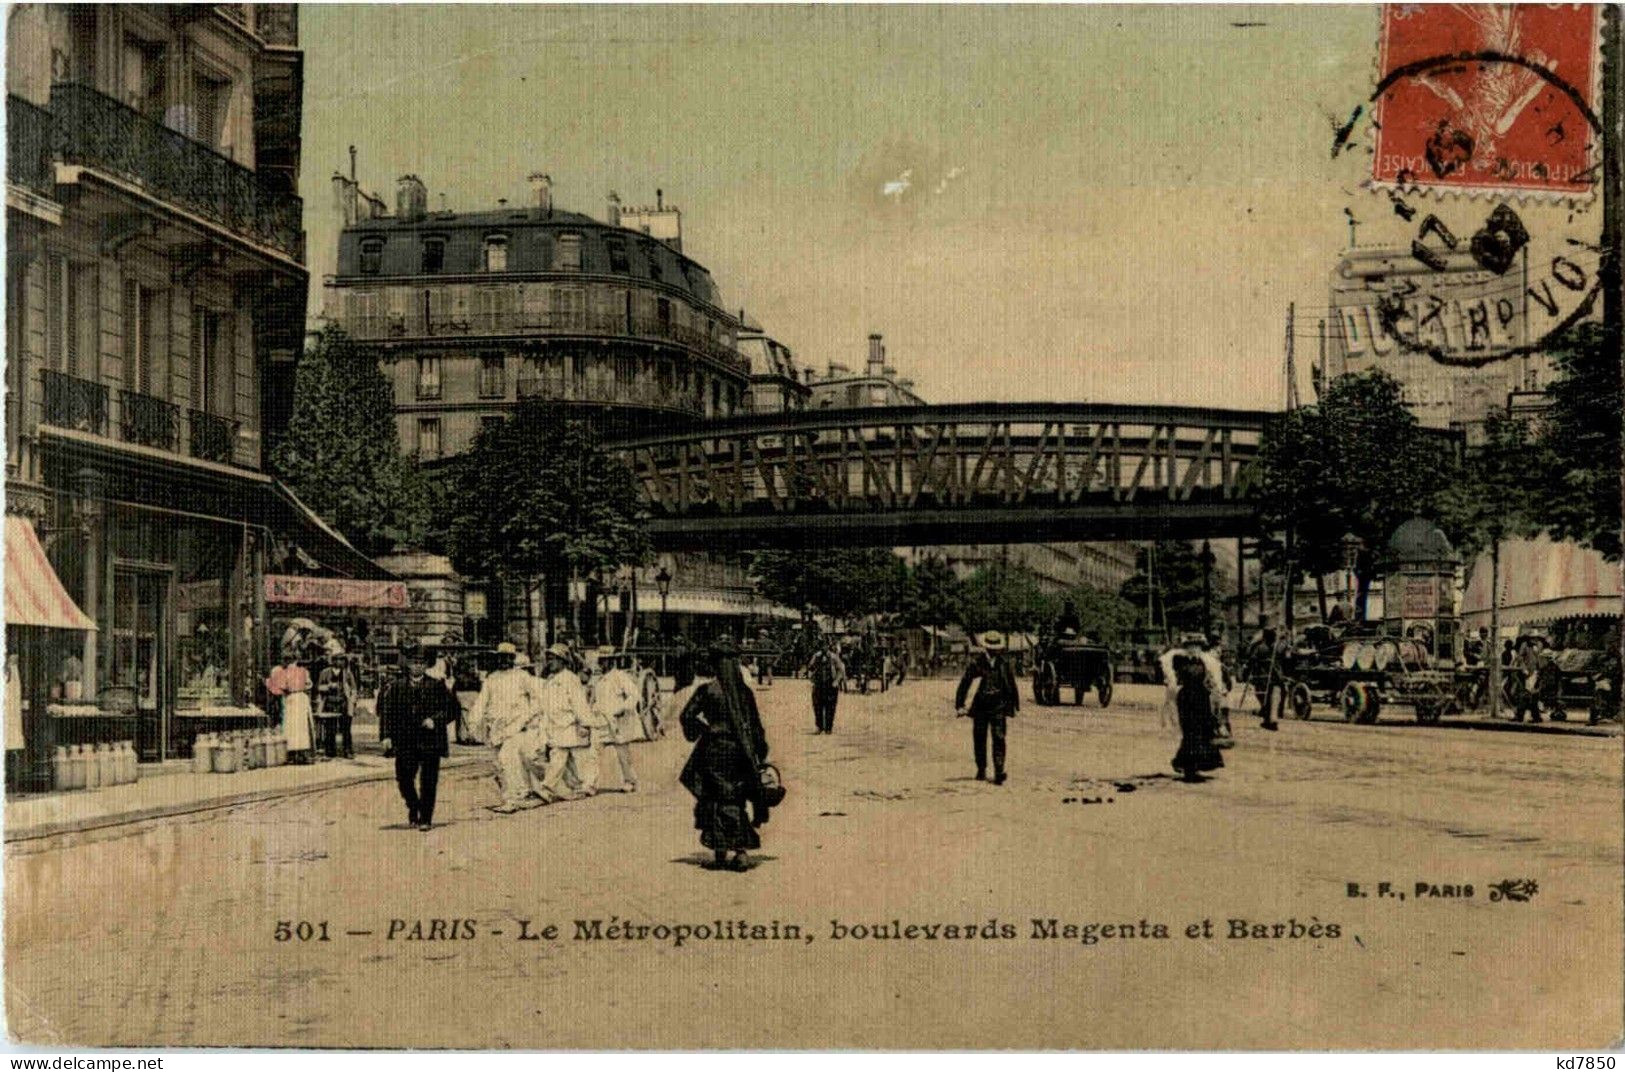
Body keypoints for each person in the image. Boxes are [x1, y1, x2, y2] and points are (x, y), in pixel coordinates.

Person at [679, 638, 773, 871]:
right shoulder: (744, 693)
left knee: (715, 797)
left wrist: (706, 730)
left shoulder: (707, 690)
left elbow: (687, 716)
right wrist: (759, 752)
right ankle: (740, 851)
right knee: (735, 798)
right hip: (740, 751)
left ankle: (720, 851)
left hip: (713, 751)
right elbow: (756, 726)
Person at [376, 642, 462, 831]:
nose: (418, 666)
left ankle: (425, 818)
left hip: (430, 740)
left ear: (426, 665)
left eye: (421, 663)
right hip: (405, 740)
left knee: (429, 781)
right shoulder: (396, 687)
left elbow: (453, 709)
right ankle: (414, 806)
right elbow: (386, 713)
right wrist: (386, 736)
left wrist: (436, 720)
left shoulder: (436, 685)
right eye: (414, 662)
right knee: (404, 779)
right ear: (408, 664)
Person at [466, 642, 544, 813]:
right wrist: (473, 723)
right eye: (501, 657)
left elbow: (538, 699)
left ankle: (512, 799)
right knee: (500, 764)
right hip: (496, 729)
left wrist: (527, 717)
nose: (503, 661)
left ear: (513, 659)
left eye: (507, 657)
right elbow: (481, 702)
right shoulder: (491, 679)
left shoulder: (522, 676)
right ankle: (520, 793)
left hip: (516, 726)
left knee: (507, 759)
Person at [536, 643, 600, 801]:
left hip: (571, 725)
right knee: (564, 759)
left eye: (553, 659)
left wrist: (585, 724)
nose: (549, 662)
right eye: (548, 659)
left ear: (562, 661)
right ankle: (576, 785)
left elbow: (579, 703)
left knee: (580, 758)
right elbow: (546, 707)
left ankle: (550, 787)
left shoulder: (571, 679)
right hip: (556, 727)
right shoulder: (550, 681)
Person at [955, 632, 1019, 784]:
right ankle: (981, 768)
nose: (994, 651)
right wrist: (960, 705)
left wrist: (1014, 705)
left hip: (998, 706)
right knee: (979, 739)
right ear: (986, 648)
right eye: (991, 648)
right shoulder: (977, 664)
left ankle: (999, 771)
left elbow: (1011, 684)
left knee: (999, 738)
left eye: (996, 648)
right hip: (980, 707)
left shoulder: (1004, 663)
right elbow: (965, 683)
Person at [588, 646, 641, 793]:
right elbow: (593, 699)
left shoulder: (620, 676)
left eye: (606, 661)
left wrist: (623, 709)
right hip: (601, 720)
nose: (602, 664)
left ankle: (630, 781)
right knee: (594, 753)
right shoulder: (598, 679)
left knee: (623, 754)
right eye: (601, 661)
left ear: (612, 661)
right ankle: (590, 784)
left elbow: (634, 695)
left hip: (617, 721)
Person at [1171, 652, 1225, 782]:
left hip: (1195, 697)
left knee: (1196, 734)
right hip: (1194, 697)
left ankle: (1188, 765)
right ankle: (1188, 766)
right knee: (1194, 734)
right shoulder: (1201, 661)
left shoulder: (1198, 661)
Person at [279, 654, 315, 764]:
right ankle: (301, 754)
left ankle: (294, 754)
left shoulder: (285, 673)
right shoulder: (303, 671)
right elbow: (309, 685)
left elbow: (282, 688)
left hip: (292, 698)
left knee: (293, 727)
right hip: (299, 698)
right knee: (300, 726)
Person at [806, 642, 845, 734]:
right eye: (822, 646)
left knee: (830, 707)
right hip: (819, 684)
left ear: (828, 647)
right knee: (817, 706)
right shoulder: (816, 656)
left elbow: (840, 669)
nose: (824, 648)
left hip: (830, 684)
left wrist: (836, 681)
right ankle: (819, 726)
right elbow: (810, 667)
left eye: (825, 646)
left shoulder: (833, 657)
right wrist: (811, 676)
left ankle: (828, 727)